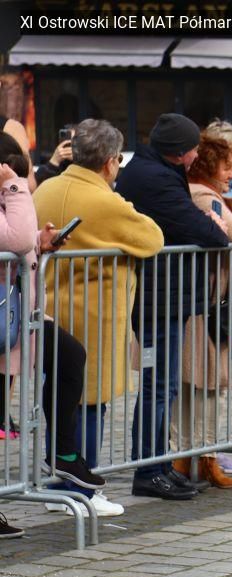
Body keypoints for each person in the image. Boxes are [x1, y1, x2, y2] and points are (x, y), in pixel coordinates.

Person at [33, 119, 165, 515]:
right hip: (96, 313)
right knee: (91, 401)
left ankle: (60, 486)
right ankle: (81, 490)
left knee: (60, 401)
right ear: (110, 161)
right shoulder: (106, 201)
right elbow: (152, 238)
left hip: (51, 307)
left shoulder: (46, 188)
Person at [116, 113, 231, 500]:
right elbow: (205, 232)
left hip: (165, 295)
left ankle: (160, 464)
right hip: (159, 298)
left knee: (161, 386)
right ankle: (149, 470)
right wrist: (213, 226)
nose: (197, 155)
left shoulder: (154, 170)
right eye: (193, 148)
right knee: (158, 387)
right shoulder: (156, 178)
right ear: (179, 152)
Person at [0, 133, 106, 521]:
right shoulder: (10, 192)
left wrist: (40, 243)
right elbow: (14, 238)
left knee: (69, 355)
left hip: (17, 321)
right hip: (8, 322)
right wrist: (14, 188)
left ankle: (62, 453)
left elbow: (18, 240)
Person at [175, 129, 232, 488]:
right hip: (203, 305)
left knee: (206, 384)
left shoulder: (212, 194)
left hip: (211, 302)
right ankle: (194, 458)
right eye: (229, 163)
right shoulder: (202, 195)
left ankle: (201, 456)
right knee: (201, 384)